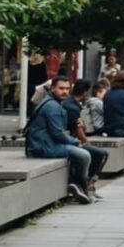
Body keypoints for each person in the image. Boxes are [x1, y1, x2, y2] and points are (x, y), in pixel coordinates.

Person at [27, 75, 98, 205]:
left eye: (67, 89)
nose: (65, 91)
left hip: (44, 143)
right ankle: (80, 185)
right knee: (84, 155)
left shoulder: (52, 102)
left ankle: (76, 184)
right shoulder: (53, 106)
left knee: (80, 152)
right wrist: (76, 142)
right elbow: (57, 134)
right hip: (44, 146)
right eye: (61, 88)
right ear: (53, 88)